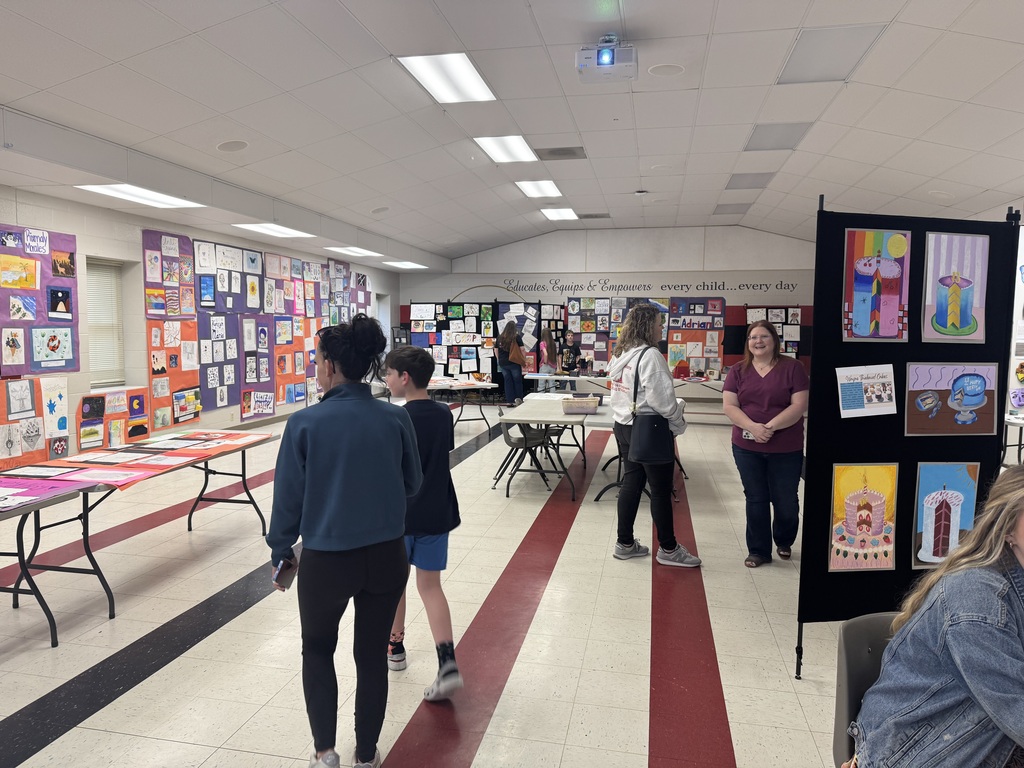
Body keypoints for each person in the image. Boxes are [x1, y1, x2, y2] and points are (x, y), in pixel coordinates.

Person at [266, 315, 423, 768]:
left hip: (326, 562)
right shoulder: (396, 418)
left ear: (331, 366)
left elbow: (287, 505)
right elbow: (412, 483)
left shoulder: (305, 424)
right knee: (371, 654)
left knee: (318, 649)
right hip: (386, 556)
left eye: (317, 359)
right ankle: (367, 754)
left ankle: (325, 753)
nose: (315, 367)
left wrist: (281, 552)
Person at [845, 466, 1024, 768]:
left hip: (979, 738)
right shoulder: (977, 601)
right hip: (917, 753)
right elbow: (1017, 710)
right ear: (1007, 529)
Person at [382, 346, 464, 701]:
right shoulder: (444, 414)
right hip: (436, 510)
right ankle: (447, 663)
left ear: (404, 377)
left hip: (399, 516)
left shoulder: (394, 418)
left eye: (388, 373)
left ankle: (395, 647)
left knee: (395, 584)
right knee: (431, 587)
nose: (385, 380)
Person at [608, 303, 701, 568]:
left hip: (624, 425)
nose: (663, 327)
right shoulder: (650, 356)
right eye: (660, 322)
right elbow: (663, 401)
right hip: (650, 428)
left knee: (631, 483)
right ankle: (669, 549)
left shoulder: (620, 353)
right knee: (660, 490)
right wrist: (678, 419)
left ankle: (624, 543)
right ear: (648, 325)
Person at [722, 320, 809, 568]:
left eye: (764, 337)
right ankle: (758, 550)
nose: (757, 341)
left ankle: (783, 540)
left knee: (785, 500)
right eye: (752, 337)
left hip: (786, 447)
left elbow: (799, 406)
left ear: (774, 341)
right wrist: (752, 428)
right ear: (748, 342)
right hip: (746, 447)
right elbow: (729, 406)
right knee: (756, 498)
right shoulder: (738, 370)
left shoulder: (794, 368)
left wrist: (768, 428)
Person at [496, 321, 525, 406]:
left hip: (503, 363)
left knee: (507, 381)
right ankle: (518, 400)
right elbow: (522, 349)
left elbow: (496, 349)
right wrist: (523, 359)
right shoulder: (516, 337)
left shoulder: (500, 337)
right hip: (514, 362)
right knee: (517, 381)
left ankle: (509, 401)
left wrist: (499, 359)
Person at [538, 327, 557, 391]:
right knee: (552, 385)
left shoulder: (542, 343)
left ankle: (540, 400)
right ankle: (553, 399)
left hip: (545, 366)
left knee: (541, 385)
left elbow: (545, 354)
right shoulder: (553, 343)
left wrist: (545, 362)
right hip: (553, 366)